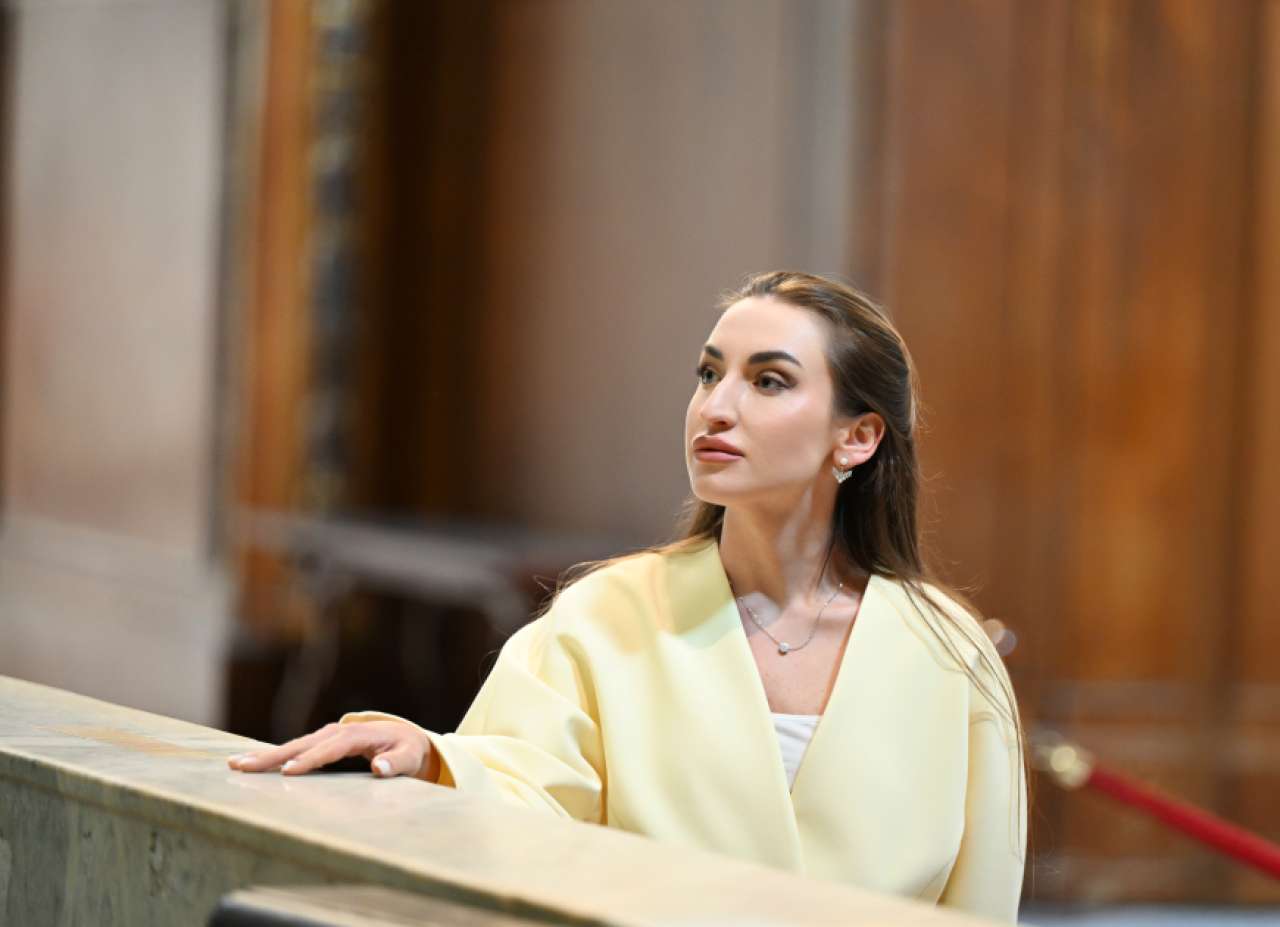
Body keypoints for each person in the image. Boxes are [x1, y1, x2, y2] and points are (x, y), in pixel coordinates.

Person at [229, 270, 1028, 921]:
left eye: (768, 381)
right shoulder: (606, 614)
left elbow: (981, 899)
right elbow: (525, 786)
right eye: (709, 373)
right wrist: (434, 756)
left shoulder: (948, 653)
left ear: (857, 436)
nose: (716, 407)